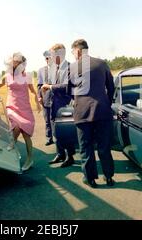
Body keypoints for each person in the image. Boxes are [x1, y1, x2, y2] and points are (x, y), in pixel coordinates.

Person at [43, 39, 115, 187]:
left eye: (73, 52)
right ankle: (108, 177)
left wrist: (52, 87)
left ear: (78, 51)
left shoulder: (73, 67)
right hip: (102, 111)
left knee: (86, 146)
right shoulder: (102, 64)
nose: (73, 55)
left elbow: (69, 90)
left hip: (82, 112)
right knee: (104, 146)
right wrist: (106, 103)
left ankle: (90, 179)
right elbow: (111, 87)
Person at [0, 52, 41, 171]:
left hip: (25, 107)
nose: (16, 63)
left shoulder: (27, 76)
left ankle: (29, 159)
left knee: (26, 134)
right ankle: (13, 142)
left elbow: (33, 91)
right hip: (12, 106)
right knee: (17, 126)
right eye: (15, 61)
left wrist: (37, 101)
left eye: (19, 61)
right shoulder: (7, 75)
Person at [43, 44, 75, 168]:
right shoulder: (54, 68)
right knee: (55, 130)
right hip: (52, 103)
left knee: (66, 131)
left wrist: (50, 86)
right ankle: (60, 153)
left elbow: (66, 87)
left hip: (63, 104)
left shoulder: (69, 67)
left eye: (51, 54)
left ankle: (69, 156)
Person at [37, 50, 54, 146]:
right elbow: (39, 85)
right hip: (45, 99)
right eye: (46, 58)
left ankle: (60, 138)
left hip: (56, 99)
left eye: (50, 58)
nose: (48, 60)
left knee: (56, 121)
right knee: (47, 120)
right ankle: (49, 138)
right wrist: (39, 97)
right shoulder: (41, 70)